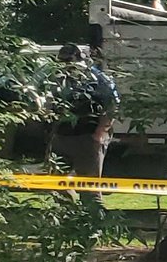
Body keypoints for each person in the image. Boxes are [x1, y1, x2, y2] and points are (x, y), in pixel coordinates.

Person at [48, 44, 119, 178]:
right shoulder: (57, 78)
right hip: (62, 134)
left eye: (69, 61)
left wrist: (100, 133)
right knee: (57, 184)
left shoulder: (99, 79)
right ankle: (69, 199)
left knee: (89, 189)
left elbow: (112, 104)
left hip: (89, 136)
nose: (66, 65)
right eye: (63, 61)